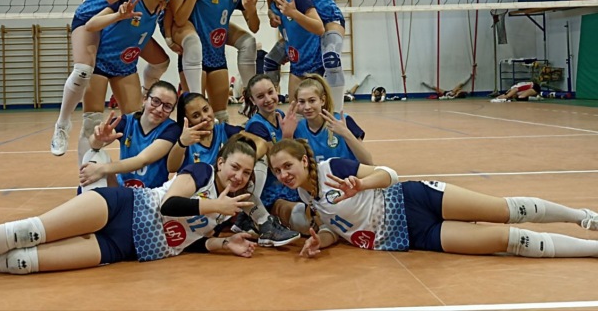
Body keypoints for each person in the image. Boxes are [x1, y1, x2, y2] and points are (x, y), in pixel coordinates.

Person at [0, 136, 260, 290]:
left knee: (22, 262)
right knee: (29, 232)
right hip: (121, 208)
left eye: (246, 172)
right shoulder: (202, 173)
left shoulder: (228, 210)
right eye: (235, 167)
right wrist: (216, 205)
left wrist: (222, 244)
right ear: (221, 162)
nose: (239, 176)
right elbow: (169, 205)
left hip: (126, 248)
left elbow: (188, 241)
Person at [268, 138, 598, 260]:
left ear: (304, 161)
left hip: (416, 199)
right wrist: (320, 243)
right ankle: (593, 249)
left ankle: (581, 216)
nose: (283, 174)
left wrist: (362, 184)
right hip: (413, 235)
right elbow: (336, 229)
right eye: (277, 171)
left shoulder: (333, 168)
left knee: (504, 210)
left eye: (287, 166)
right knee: (507, 240)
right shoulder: (305, 196)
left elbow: (389, 174)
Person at [50, 0, 170, 157]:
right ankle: (62, 124)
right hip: (90, 19)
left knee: (161, 62)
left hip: (121, 32)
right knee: (83, 70)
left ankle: (145, 94)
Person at [75, 0, 175, 168]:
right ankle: (86, 175)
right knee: (92, 125)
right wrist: (118, 16)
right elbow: (90, 25)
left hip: (126, 67)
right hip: (100, 63)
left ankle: (134, 171)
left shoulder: (161, 5)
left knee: (136, 123)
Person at [168, 92, 300, 247]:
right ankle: (257, 220)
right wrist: (182, 143)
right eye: (196, 115)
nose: (204, 117)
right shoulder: (186, 139)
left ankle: (254, 220)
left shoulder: (224, 130)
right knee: (234, 176)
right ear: (188, 120)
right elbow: (172, 167)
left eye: (206, 109)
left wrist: (241, 165)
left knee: (254, 161)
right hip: (198, 201)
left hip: (228, 199)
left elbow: (262, 144)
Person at [170, 0, 259, 123]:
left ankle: (251, 98)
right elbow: (176, 17)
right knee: (196, 114)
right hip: (195, 55)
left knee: (221, 116)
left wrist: (251, 10)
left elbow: (254, 27)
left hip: (216, 55)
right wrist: (168, 37)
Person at [262, 0, 347, 113]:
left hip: (328, 19)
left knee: (331, 59)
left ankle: (336, 115)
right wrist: (270, 13)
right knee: (270, 61)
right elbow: (271, 0)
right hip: (304, 28)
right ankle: (270, 111)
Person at [78, 80, 181, 190]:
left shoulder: (171, 129)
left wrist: (102, 169)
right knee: (94, 155)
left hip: (150, 195)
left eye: (167, 106)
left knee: (96, 172)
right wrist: (99, 139)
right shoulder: (126, 121)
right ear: (145, 99)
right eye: (155, 101)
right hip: (121, 189)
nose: (159, 109)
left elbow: (143, 160)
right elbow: (94, 145)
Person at [242, 74, 310, 235]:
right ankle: (256, 220)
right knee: (299, 217)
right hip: (271, 188)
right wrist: (287, 136)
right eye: (260, 96)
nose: (268, 99)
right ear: (252, 100)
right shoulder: (256, 125)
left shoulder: (280, 115)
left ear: (277, 90)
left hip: (290, 182)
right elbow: (275, 164)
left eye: (270, 92)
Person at [252, 0, 325, 101]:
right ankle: (271, 98)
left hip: (313, 60)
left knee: (312, 107)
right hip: (296, 60)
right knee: (270, 60)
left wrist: (294, 13)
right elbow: (273, 11)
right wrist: (271, 15)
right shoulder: (273, 1)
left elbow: (320, 28)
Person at [283, 74, 373, 164]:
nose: (307, 107)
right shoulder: (297, 128)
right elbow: (287, 165)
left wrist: (346, 133)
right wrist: (287, 136)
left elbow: (368, 161)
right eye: (302, 102)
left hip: (348, 173)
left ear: (322, 100)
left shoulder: (342, 121)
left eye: (312, 101)